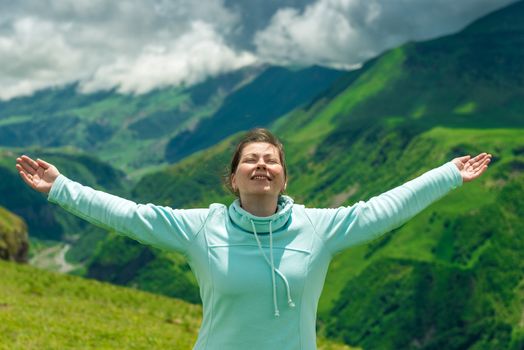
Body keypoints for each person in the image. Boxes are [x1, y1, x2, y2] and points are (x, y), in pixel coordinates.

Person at [16, 128, 491, 350]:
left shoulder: (319, 229)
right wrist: (62, 188)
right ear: (234, 178)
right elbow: (130, 216)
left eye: (271, 160)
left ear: (284, 178)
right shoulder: (201, 227)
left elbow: (385, 209)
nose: (261, 164)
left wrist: (447, 175)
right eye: (251, 159)